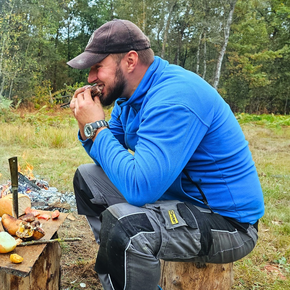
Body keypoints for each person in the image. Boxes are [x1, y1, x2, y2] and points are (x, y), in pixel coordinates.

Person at [67, 19, 264, 290]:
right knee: (88, 178)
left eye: (97, 67)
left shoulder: (173, 98)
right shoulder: (131, 98)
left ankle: (127, 254)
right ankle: (121, 270)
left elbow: (140, 189)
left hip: (227, 223)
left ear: (130, 60)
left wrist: (97, 128)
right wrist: (89, 128)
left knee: (128, 228)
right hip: (178, 199)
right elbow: (107, 153)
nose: (90, 79)